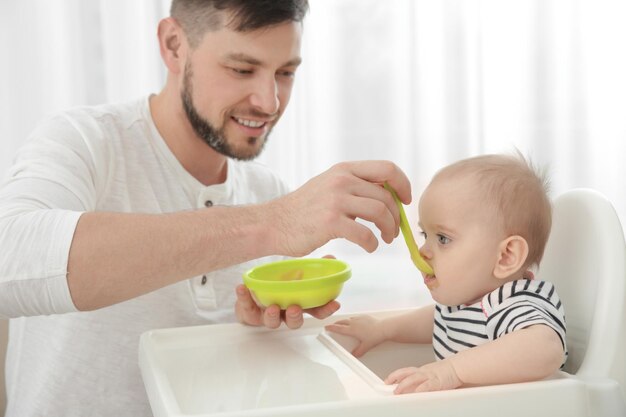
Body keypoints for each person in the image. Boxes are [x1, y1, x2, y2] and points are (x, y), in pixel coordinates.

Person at [0, 1, 412, 416]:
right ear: (174, 45)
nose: (269, 102)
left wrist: (264, 332)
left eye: (285, 72)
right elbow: (9, 257)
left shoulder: (267, 190)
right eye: (241, 69)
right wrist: (272, 223)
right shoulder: (84, 142)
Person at [325, 153, 568, 394]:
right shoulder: (464, 304)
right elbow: (436, 320)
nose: (423, 251)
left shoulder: (513, 305)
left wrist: (451, 370)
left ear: (506, 256)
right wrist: (383, 329)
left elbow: (546, 348)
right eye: (425, 235)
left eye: (443, 238)